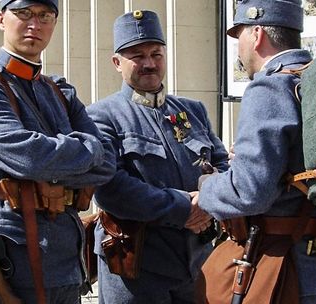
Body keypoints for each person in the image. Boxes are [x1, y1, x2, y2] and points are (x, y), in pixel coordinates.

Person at [0, 0, 116, 303]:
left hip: (66, 256)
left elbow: (106, 163)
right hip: (11, 257)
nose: (35, 24)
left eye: (45, 16)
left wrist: (69, 157)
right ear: (2, 19)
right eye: (24, 13)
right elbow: (30, 158)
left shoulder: (59, 91)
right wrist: (86, 150)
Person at [197, 1, 316, 303]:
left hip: (283, 269)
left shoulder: (270, 88)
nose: (238, 47)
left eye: (239, 35)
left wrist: (206, 189)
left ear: (257, 34)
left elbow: (250, 191)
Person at [86, 9, 230, 304]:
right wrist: (184, 209)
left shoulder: (192, 110)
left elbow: (222, 164)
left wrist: (209, 201)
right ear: (117, 62)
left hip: (197, 260)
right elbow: (112, 189)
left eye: (156, 53)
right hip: (137, 267)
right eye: (137, 56)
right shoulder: (101, 116)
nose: (149, 63)